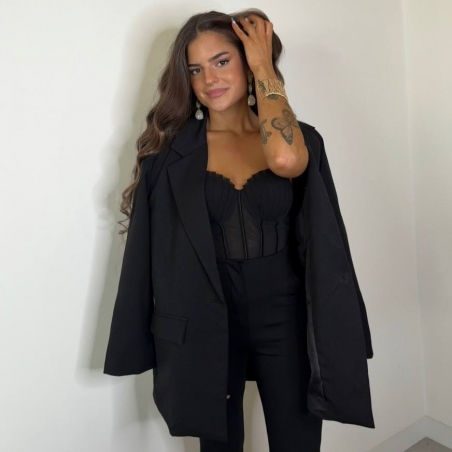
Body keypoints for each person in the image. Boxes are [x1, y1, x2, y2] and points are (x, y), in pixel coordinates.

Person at [104, 7, 374, 452]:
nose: (209, 78)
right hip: (205, 318)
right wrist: (136, 339)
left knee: (298, 441)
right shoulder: (168, 158)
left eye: (222, 61)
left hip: (286, 317)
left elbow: (286, 162)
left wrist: (264, 67)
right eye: (196, 69)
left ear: (248, 62)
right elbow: (143, 260)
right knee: (219, 446)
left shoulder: (298, 140)